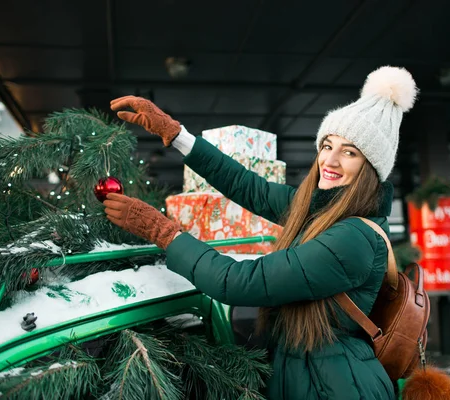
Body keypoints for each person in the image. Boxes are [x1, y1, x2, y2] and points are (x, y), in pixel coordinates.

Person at [103, 66, 415, 399]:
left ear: (370, 169)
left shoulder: (352, 239)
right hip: (309, 372)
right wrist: (176, 134)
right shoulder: (322, 208)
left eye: (350, 152)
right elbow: (249, 187)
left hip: (335, 385)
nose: (330, 160)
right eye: (327, 145)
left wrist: (162, 231)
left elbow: (237, 281)